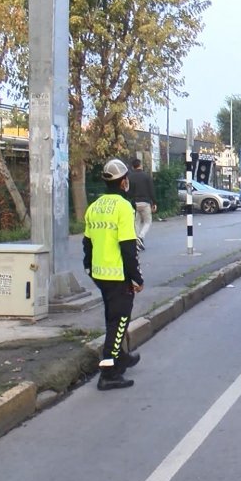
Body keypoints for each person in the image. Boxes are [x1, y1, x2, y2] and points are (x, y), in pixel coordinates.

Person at [83, 158, 144, 391]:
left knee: (113, 317)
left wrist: (88, 266)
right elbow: (128, 246)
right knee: (119, 323)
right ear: (123, 182)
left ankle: (121, 358)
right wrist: (136, 277)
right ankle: (108, 372)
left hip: (99, 273)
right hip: (118, 274)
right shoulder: (123, 207)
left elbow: (87, 242)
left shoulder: (94, 207)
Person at [127, 158, 156, 251]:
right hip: (145, 202)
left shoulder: (130, 177)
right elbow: (151, 190)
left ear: (132, 167)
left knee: (136, 222)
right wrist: (154, 202)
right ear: (140, 165)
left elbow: (128, 191)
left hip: (135, 202)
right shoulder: (146, 176)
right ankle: (140, 237)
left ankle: (136, 243)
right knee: (148, 221)